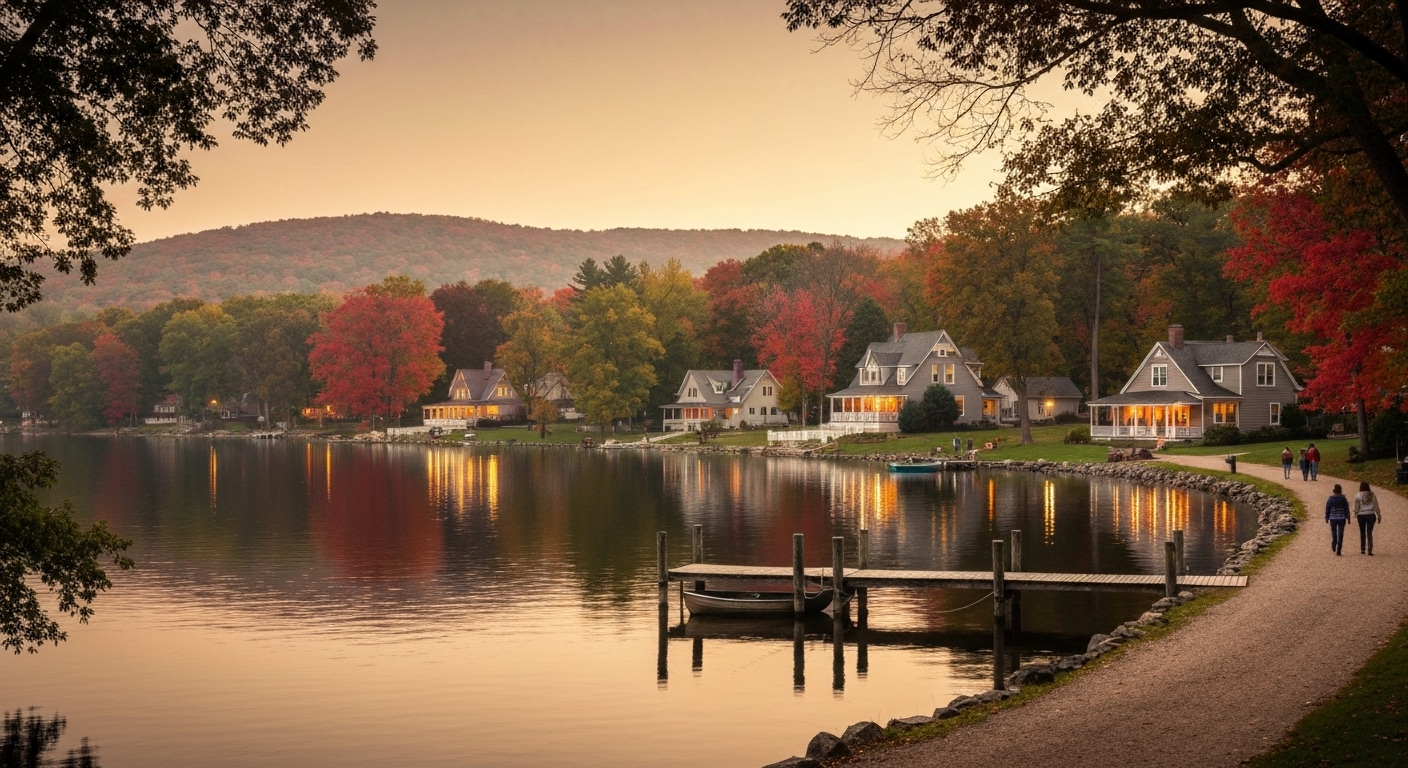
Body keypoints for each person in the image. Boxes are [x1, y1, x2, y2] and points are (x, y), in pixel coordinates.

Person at [1354, 481, 1382, 555]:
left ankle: (1362, 549)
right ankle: (1370, 550)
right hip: (1370, 514)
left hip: (1361, 515)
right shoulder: (1372, 495)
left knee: (1362, 532)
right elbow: (1376, 506)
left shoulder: (1358, 495)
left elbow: (1357, 506)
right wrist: (1379, 515)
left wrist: (1356, 513)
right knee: (1369, 532)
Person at [1325, 484, 1350, 555]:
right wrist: (1348, 517)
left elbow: (1328, 508)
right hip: (1342, 518)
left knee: (1334, 532)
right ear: (1340, 491)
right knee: (1340, 534)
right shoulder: (1343, 499)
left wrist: (1327, 517)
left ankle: (1334, 542)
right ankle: (1339, 549)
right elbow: (1346, 508)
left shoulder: (1331, 498)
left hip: (1333, 518)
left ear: (1334, 491)